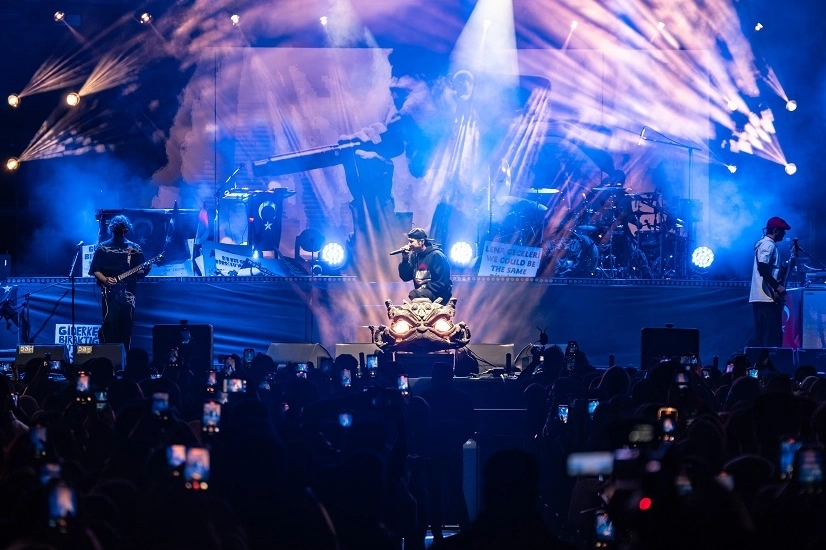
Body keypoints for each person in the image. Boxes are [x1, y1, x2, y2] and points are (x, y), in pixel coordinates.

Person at [89, 215, 152, 351]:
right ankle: (108, 355)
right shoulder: (103, 248)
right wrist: (105, 279)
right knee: (109, 323)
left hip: (128, 294)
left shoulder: (135, 248)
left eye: (124, 231)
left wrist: (145, 269)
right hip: (109, 293)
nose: (122, 234)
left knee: (126, 326)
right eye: (119, 231)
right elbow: (95, 269)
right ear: (113, 230)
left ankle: (124, 358)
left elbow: (141, 273)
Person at [749, 216, 791, 347]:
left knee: (766, 336)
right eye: (783, 231)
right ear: (775, 231)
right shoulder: (768, 245)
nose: (784, 234)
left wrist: (790, 264)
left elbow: (772, 270)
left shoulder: (768, 245)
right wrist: (777, 286)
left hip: (765, 297)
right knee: (771, 337)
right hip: (766, 297)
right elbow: (762, 268)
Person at [397, 227, 452, 303]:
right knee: (415, 294)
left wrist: (423, 290)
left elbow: (442, 282)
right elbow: (405, 277)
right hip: (422, 293)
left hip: (438, 293)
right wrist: (405, 259)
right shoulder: (414, 256)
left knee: (415, 294)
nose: (409, 245)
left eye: (411, 242)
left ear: (421, 241)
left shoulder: (436, 255)